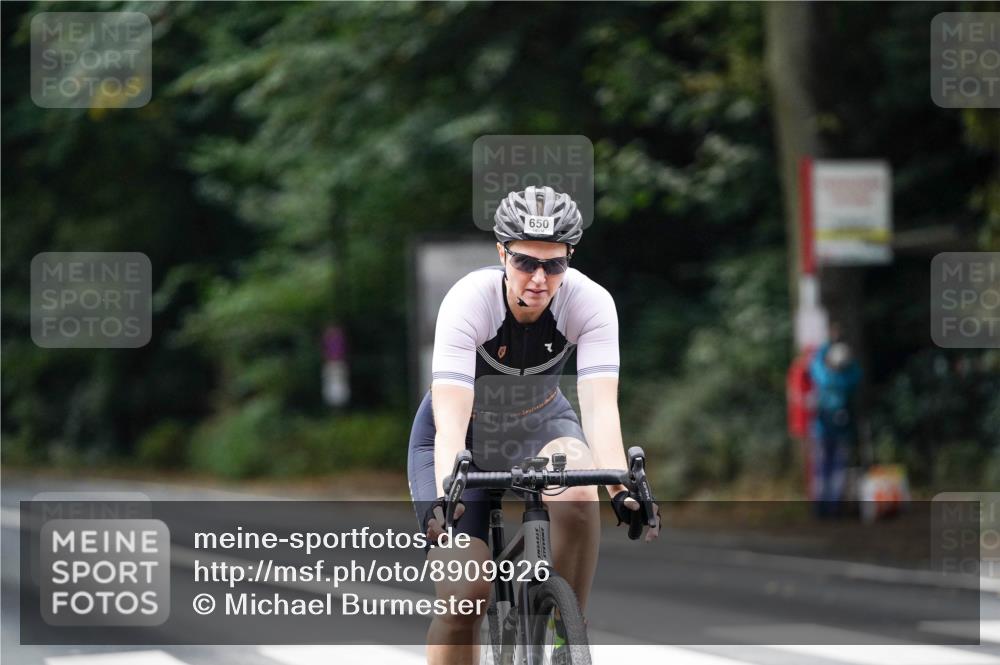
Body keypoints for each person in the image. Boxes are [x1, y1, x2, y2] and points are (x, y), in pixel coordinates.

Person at [407, 185, 661, 664]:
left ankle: (566, 633)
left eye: (555, 264)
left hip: (540, 421)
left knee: (581, 494)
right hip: (463, 435)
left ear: (570, 258)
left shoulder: (590, 303)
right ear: (501, 253)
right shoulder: (470, 301)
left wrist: (621, 490)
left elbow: (600, 408)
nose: (539, 279)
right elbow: (452, 416)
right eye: (525, 262)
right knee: (465, 593)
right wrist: (448, 487)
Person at [809, 335, 862, 517]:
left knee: (821, 469)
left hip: (821, 431)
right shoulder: (847, 381)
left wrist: (827, 343)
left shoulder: (824, 377)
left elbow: (814, 363)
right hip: (842, 432)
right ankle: (834, 507)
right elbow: (857, 372)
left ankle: (820, 507)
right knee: (838, 469)